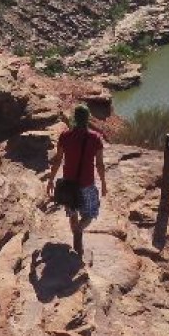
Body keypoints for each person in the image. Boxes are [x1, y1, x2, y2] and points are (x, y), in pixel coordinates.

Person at [44, 104, 107, 259]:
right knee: (90, 213)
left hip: (68, 184)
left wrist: (51, 180)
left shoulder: (65, 136)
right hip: (87, 184)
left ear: (74, 119)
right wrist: (104, 183)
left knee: (72, 212)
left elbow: (58, 160)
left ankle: (77, 248)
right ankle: (79, 234)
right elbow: (99, 164)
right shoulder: (95, 138)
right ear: (87, 119)